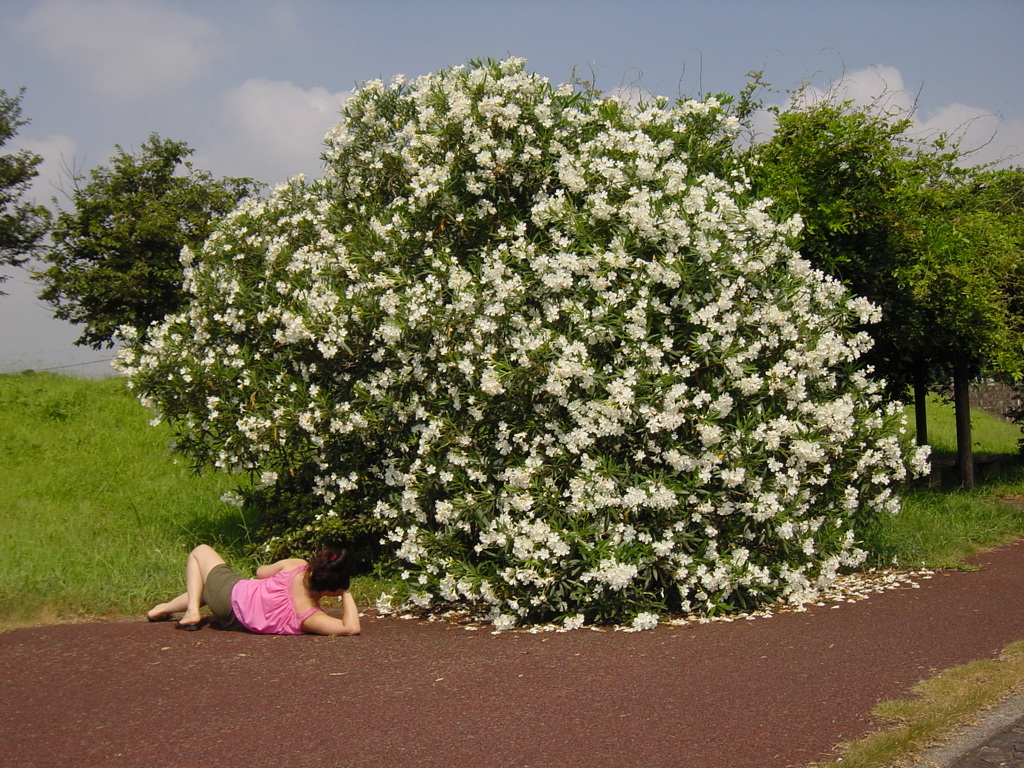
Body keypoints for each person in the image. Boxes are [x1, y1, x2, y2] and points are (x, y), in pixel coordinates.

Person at [146, 544, 361, 636]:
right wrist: (346, 592)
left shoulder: (296, 565)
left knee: (200, 551)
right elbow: (350, 628)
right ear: (333, 589)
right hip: (235, 620)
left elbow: (260, 572)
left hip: (232, 594)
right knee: (205, 589)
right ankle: (161, 609)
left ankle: (192, 612)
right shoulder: (309, 616)